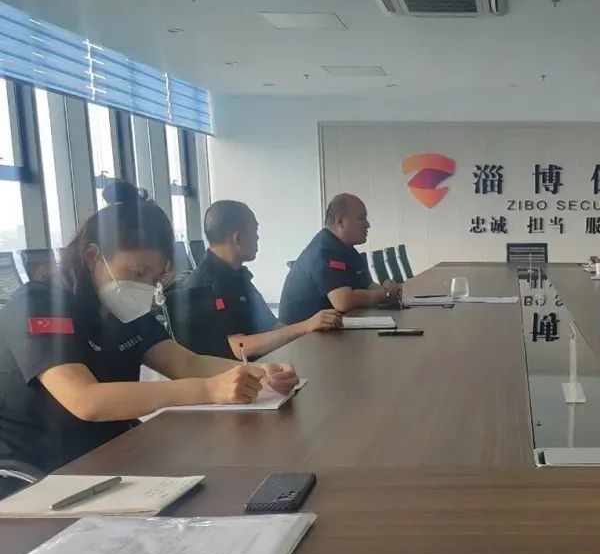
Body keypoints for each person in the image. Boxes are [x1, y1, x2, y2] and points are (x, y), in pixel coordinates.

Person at [0, 199, 299, 495]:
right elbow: (86, 399)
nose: (143, 286)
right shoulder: (39, 304)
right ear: (93, 256)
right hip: (43, 471)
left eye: (153, 278)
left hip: (113, 451)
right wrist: (209, 389)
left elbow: (186, 364)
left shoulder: (123, 306)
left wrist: (262, 372)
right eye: (137, 273)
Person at [185, 200, 342, 359]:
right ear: (238, 238)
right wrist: (305, 327)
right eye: (254, 231)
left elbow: (272, 326)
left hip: (263, 363)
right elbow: (238, 346)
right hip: (233, 370)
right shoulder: (203, 285)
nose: (258, 237)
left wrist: (311, 332)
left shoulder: (237, 275)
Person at [279, 193, 402, 324]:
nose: (367, 224)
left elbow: (368, 286)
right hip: (302, 334)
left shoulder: (347, 249)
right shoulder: (325, 249)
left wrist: (386, 290)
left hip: (330, 327)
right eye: (362, 218)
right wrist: (385, 293)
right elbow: (343, 301)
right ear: (340, 221)